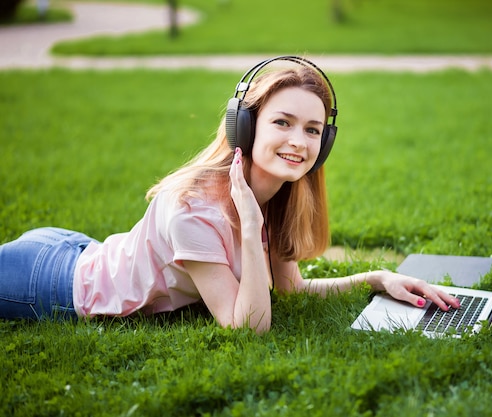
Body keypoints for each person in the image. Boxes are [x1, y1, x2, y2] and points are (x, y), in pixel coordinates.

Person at [0, 56, 459, 332]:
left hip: (81, 247)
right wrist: (250, 228)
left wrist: (378, 279)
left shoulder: (280, 195)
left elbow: (291, 289)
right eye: (282, 122)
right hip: (50, 283)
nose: (299, 141)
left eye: (312, 129)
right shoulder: (193, 207)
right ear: (245, 124)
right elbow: (248, 327)